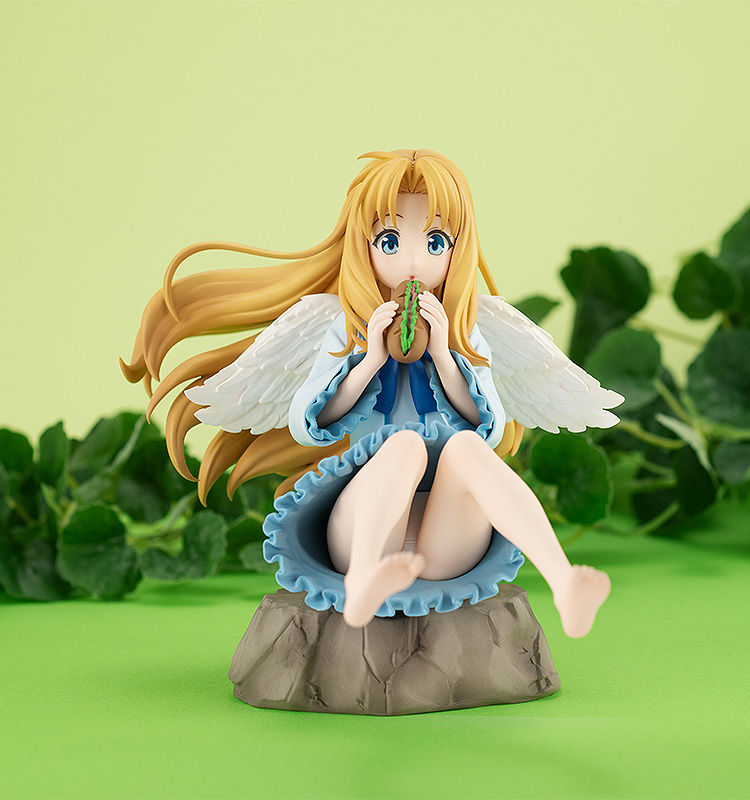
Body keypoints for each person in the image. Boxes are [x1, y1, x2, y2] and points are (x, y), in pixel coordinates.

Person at [122, 149, 620, 635]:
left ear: (458, 249)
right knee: (403, 445)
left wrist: (445, 354)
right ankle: (363, 578)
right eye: (389, 240)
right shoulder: (345, 329)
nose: (412, 262)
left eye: (435, 242)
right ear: (363, 246)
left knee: (466, 447)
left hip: (442, 541)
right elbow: (308, 423)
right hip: (362, 529)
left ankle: (563, 582)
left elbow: (487, 430)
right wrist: (370, 360)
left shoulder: (467, 332)